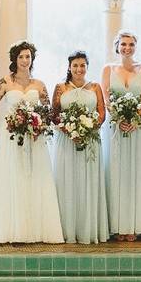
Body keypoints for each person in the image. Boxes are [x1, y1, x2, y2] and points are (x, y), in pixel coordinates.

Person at [0, 40, 63, 243]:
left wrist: (41, 126)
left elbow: (48, 113)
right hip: (11, 140)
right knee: (13, 181)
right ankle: (12, 229)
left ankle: (34, 230)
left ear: (32, 59)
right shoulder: (5, 82)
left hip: (34, 141)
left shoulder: (40, 85)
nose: (25, 60)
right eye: (21, 57)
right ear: (15, 59)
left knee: (34, 181)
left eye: (28, 56)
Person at [100, 31, 141, 241]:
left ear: (135, 47)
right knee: (116, 172)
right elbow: (106, 98)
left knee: (137, 172)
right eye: (123, 44)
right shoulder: (108, 69)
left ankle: (135, 224)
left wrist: (134, 119)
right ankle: (117, 225)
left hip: (138, 127)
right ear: (117, 46)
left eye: (131, 44)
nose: (127, 48)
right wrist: (119, 117)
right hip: (115, 126)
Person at [51, 50, 108, 244]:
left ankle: (88, 229)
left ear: (87, 67)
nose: (79, 69)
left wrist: (86, 130)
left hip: (90, 140)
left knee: (88, 181)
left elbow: (101, 113)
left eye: (82, 65)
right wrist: (70, 131)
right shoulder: (60, 88)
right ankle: (67, 230)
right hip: (66, 142)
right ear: (69, 67)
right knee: (67, 180)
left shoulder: (95, 87)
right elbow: (54, 114)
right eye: (75, 65)